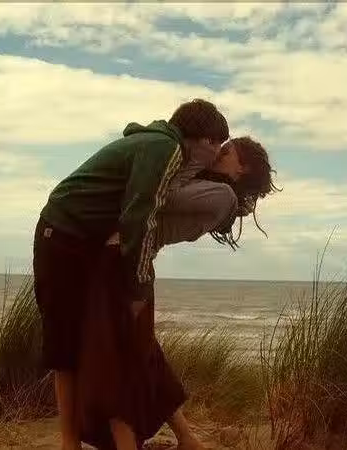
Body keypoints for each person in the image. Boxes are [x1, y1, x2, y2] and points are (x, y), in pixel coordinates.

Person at [33, 99, 229, 450]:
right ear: (202, 139)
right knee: (64, 344)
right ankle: (68, 442)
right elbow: (140, 216)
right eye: (216, 144)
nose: (216, 154)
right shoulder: (165, 149)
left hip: (85, 243)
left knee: (107, 343)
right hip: (61, 236)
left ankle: (92, 439)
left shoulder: (161, 147)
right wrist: (138, 288)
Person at [75, 136, 279, 450]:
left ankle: (136, 442)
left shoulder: (222, 195)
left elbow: (157, 196)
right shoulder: (215, 191)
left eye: (226, 151)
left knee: (119, 361)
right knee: (145, 355)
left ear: (243, 169)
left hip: (124, 266)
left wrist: (185, 162)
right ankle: (187, 438)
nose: (218, 152)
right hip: (130, 263)